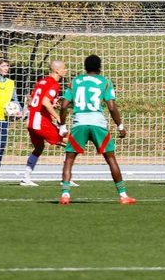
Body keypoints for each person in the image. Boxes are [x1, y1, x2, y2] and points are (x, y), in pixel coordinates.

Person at [60, 54, 134, 206]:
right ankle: (123, 196)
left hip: (79, 122)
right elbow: (112, 107)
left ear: (85, 66)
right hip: (98, 123)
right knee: (111, 159)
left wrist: (62, 125)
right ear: (99, 67)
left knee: (69, 160)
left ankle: (65, 194)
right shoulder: (105, 82)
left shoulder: (75, 81)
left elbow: (64, 105)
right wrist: (120, 126)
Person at [20, 60, 68, 187]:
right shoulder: (55, 84)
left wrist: (51, 104)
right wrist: (57, 116)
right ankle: (66, 178)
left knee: (39, 147)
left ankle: (26, 178)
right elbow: (45, 102)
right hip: (41, 122)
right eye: (64, 68)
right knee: (70, 143)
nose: (66, 70)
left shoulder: (42, 81)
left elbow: (31, 101)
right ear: (56, 70)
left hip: (31, 120)